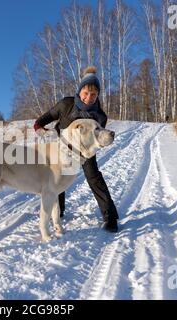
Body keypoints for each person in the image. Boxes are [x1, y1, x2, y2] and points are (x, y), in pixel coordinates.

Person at [33, 66, 119, 233]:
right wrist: (41, 130)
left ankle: (110, 217)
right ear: (80, 91)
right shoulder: (66, 104)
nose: (89, 98)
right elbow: (42, 120)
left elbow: (98, 139)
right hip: (62, 149)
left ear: (98, 95)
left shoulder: (100, 116)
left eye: (93, 94)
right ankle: (59, 212)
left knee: (94, 178)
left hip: (84, 152)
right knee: (57, 178)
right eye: (86, 93)